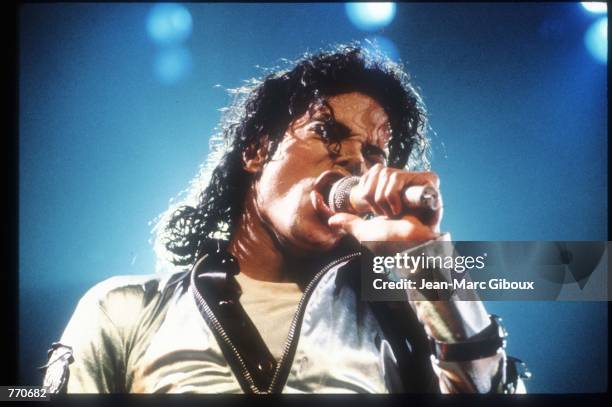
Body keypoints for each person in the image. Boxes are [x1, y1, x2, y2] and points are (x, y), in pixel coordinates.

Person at [42, 45, 527, 394]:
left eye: (375, 153)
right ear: (256, 151)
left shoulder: (401, 318)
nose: (358, 163)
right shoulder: (123, 309)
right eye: (328, 132)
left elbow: (580, 274)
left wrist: (425, 262)